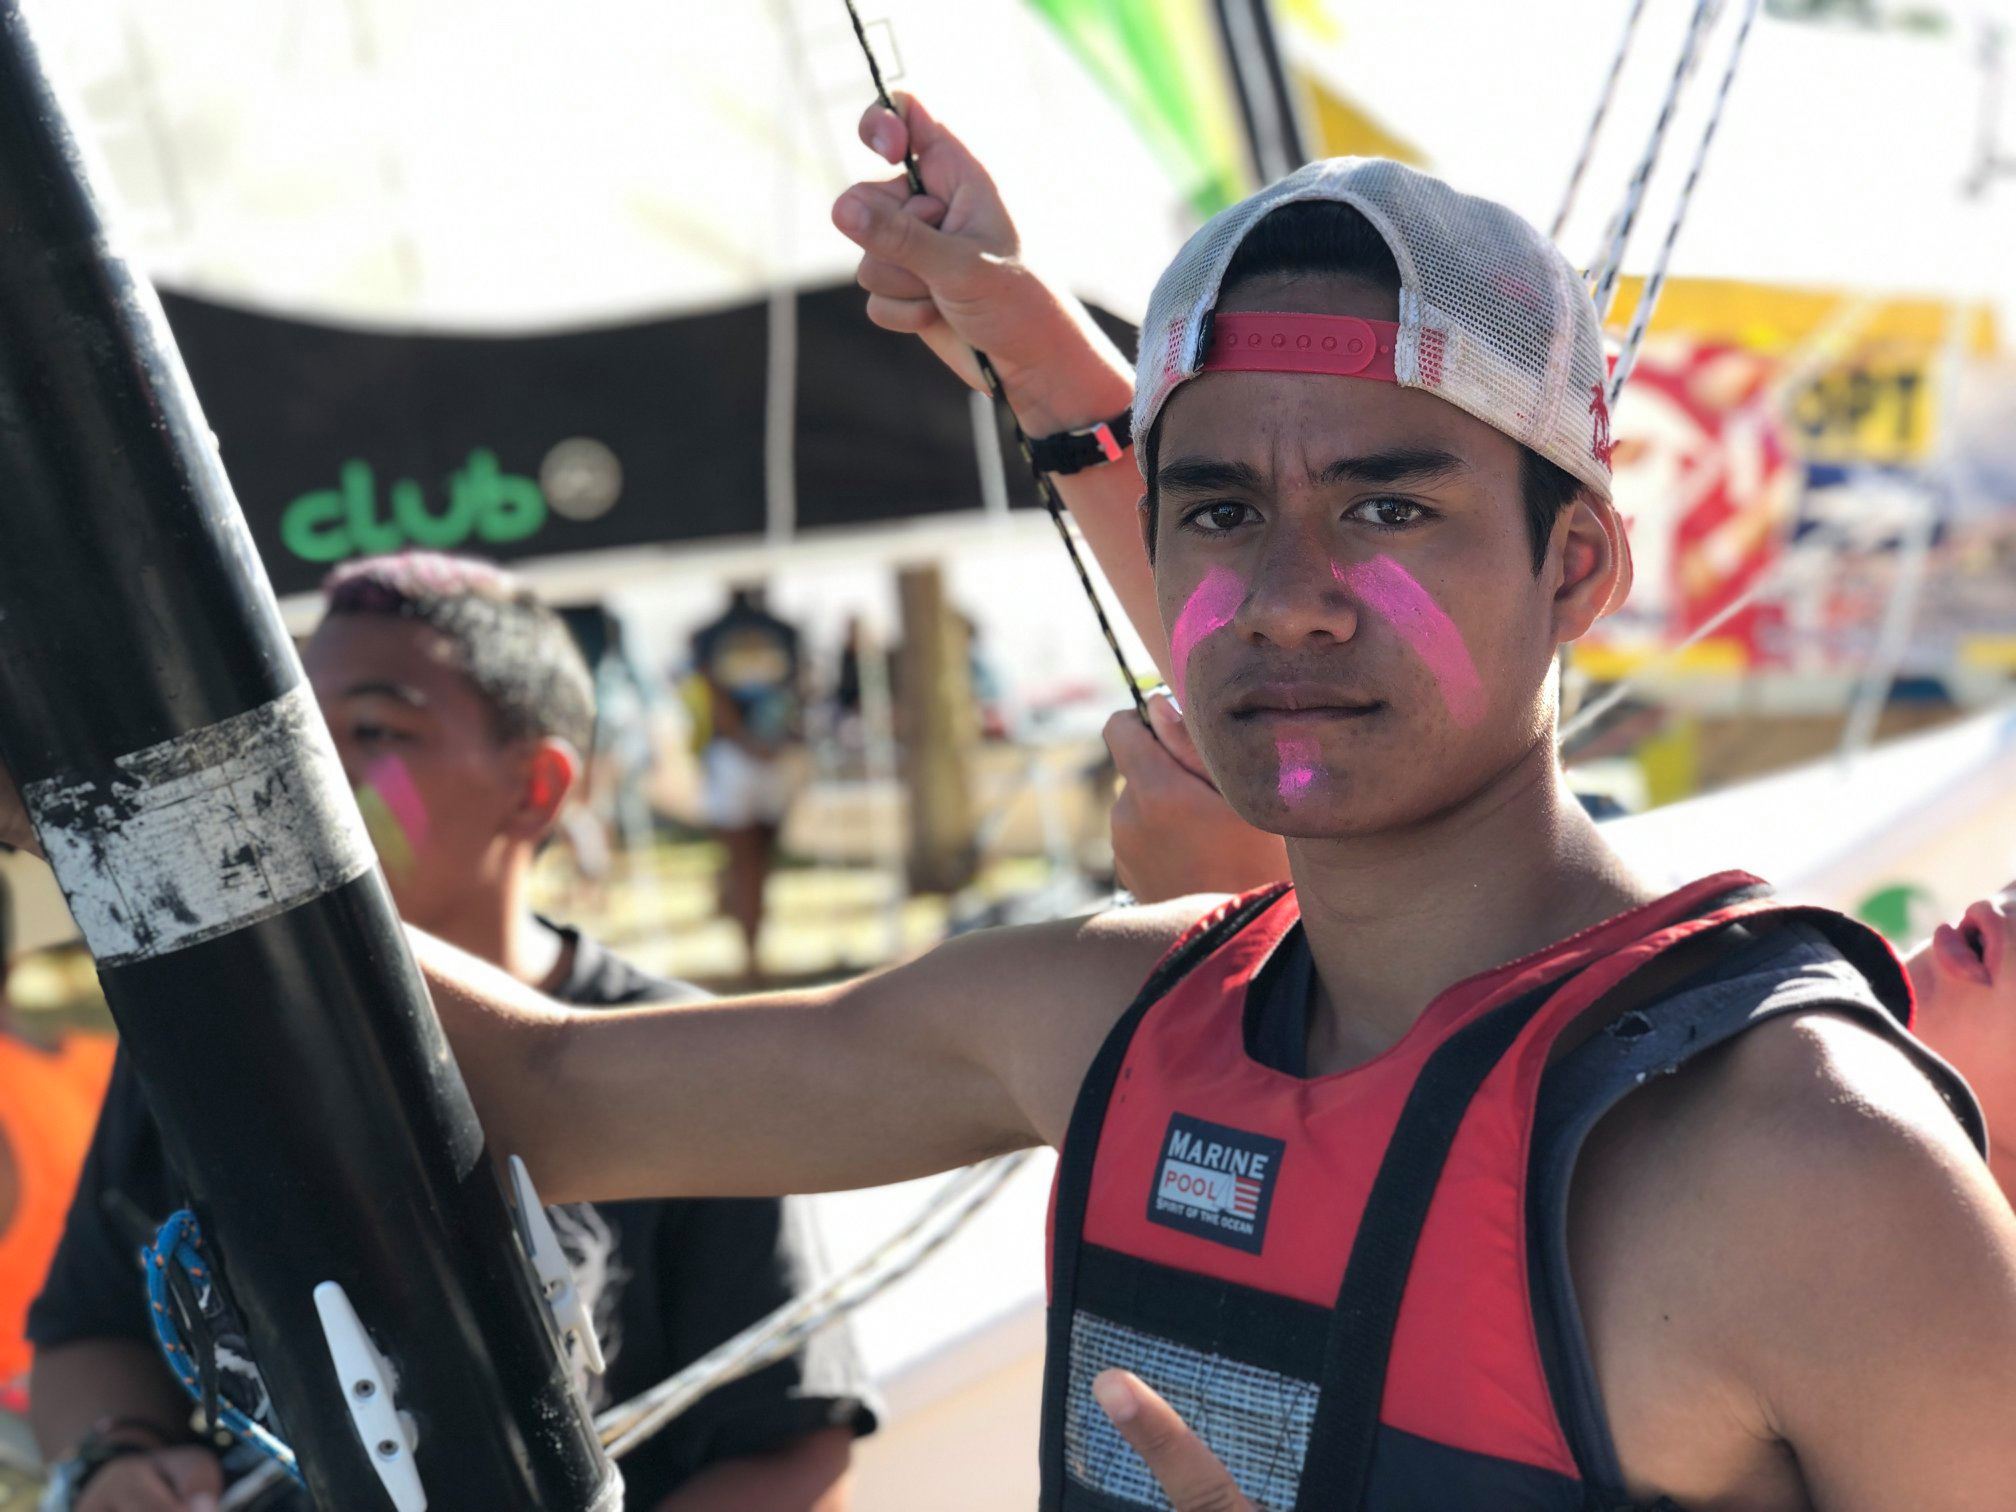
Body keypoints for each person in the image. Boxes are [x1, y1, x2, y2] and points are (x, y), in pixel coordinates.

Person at [8, 101, 2016, 1510]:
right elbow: (550, 1086)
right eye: (1215, 513)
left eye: (1390, 507)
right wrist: (98, 782)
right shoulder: (1108, 1015)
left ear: (1578, 566)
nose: (1284, 597)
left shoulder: (1800, 1161)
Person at [23, 555, 869, 1512]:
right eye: (288, 731)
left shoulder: (681, 1057)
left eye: (375, 732)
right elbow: (87, 1334)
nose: (298, 777)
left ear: (536, 786)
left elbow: (792, 1451)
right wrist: (118, 1458)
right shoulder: (198, 1047)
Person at [688, 586, 806, 981]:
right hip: (740, 755)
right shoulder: (719, 634)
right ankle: (750, 945)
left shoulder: (782, 632)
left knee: (757, 854)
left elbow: (796, 689)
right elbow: (710, 692)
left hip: (757, 753)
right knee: (747, 857)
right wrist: (753, 742)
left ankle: (749, 933)